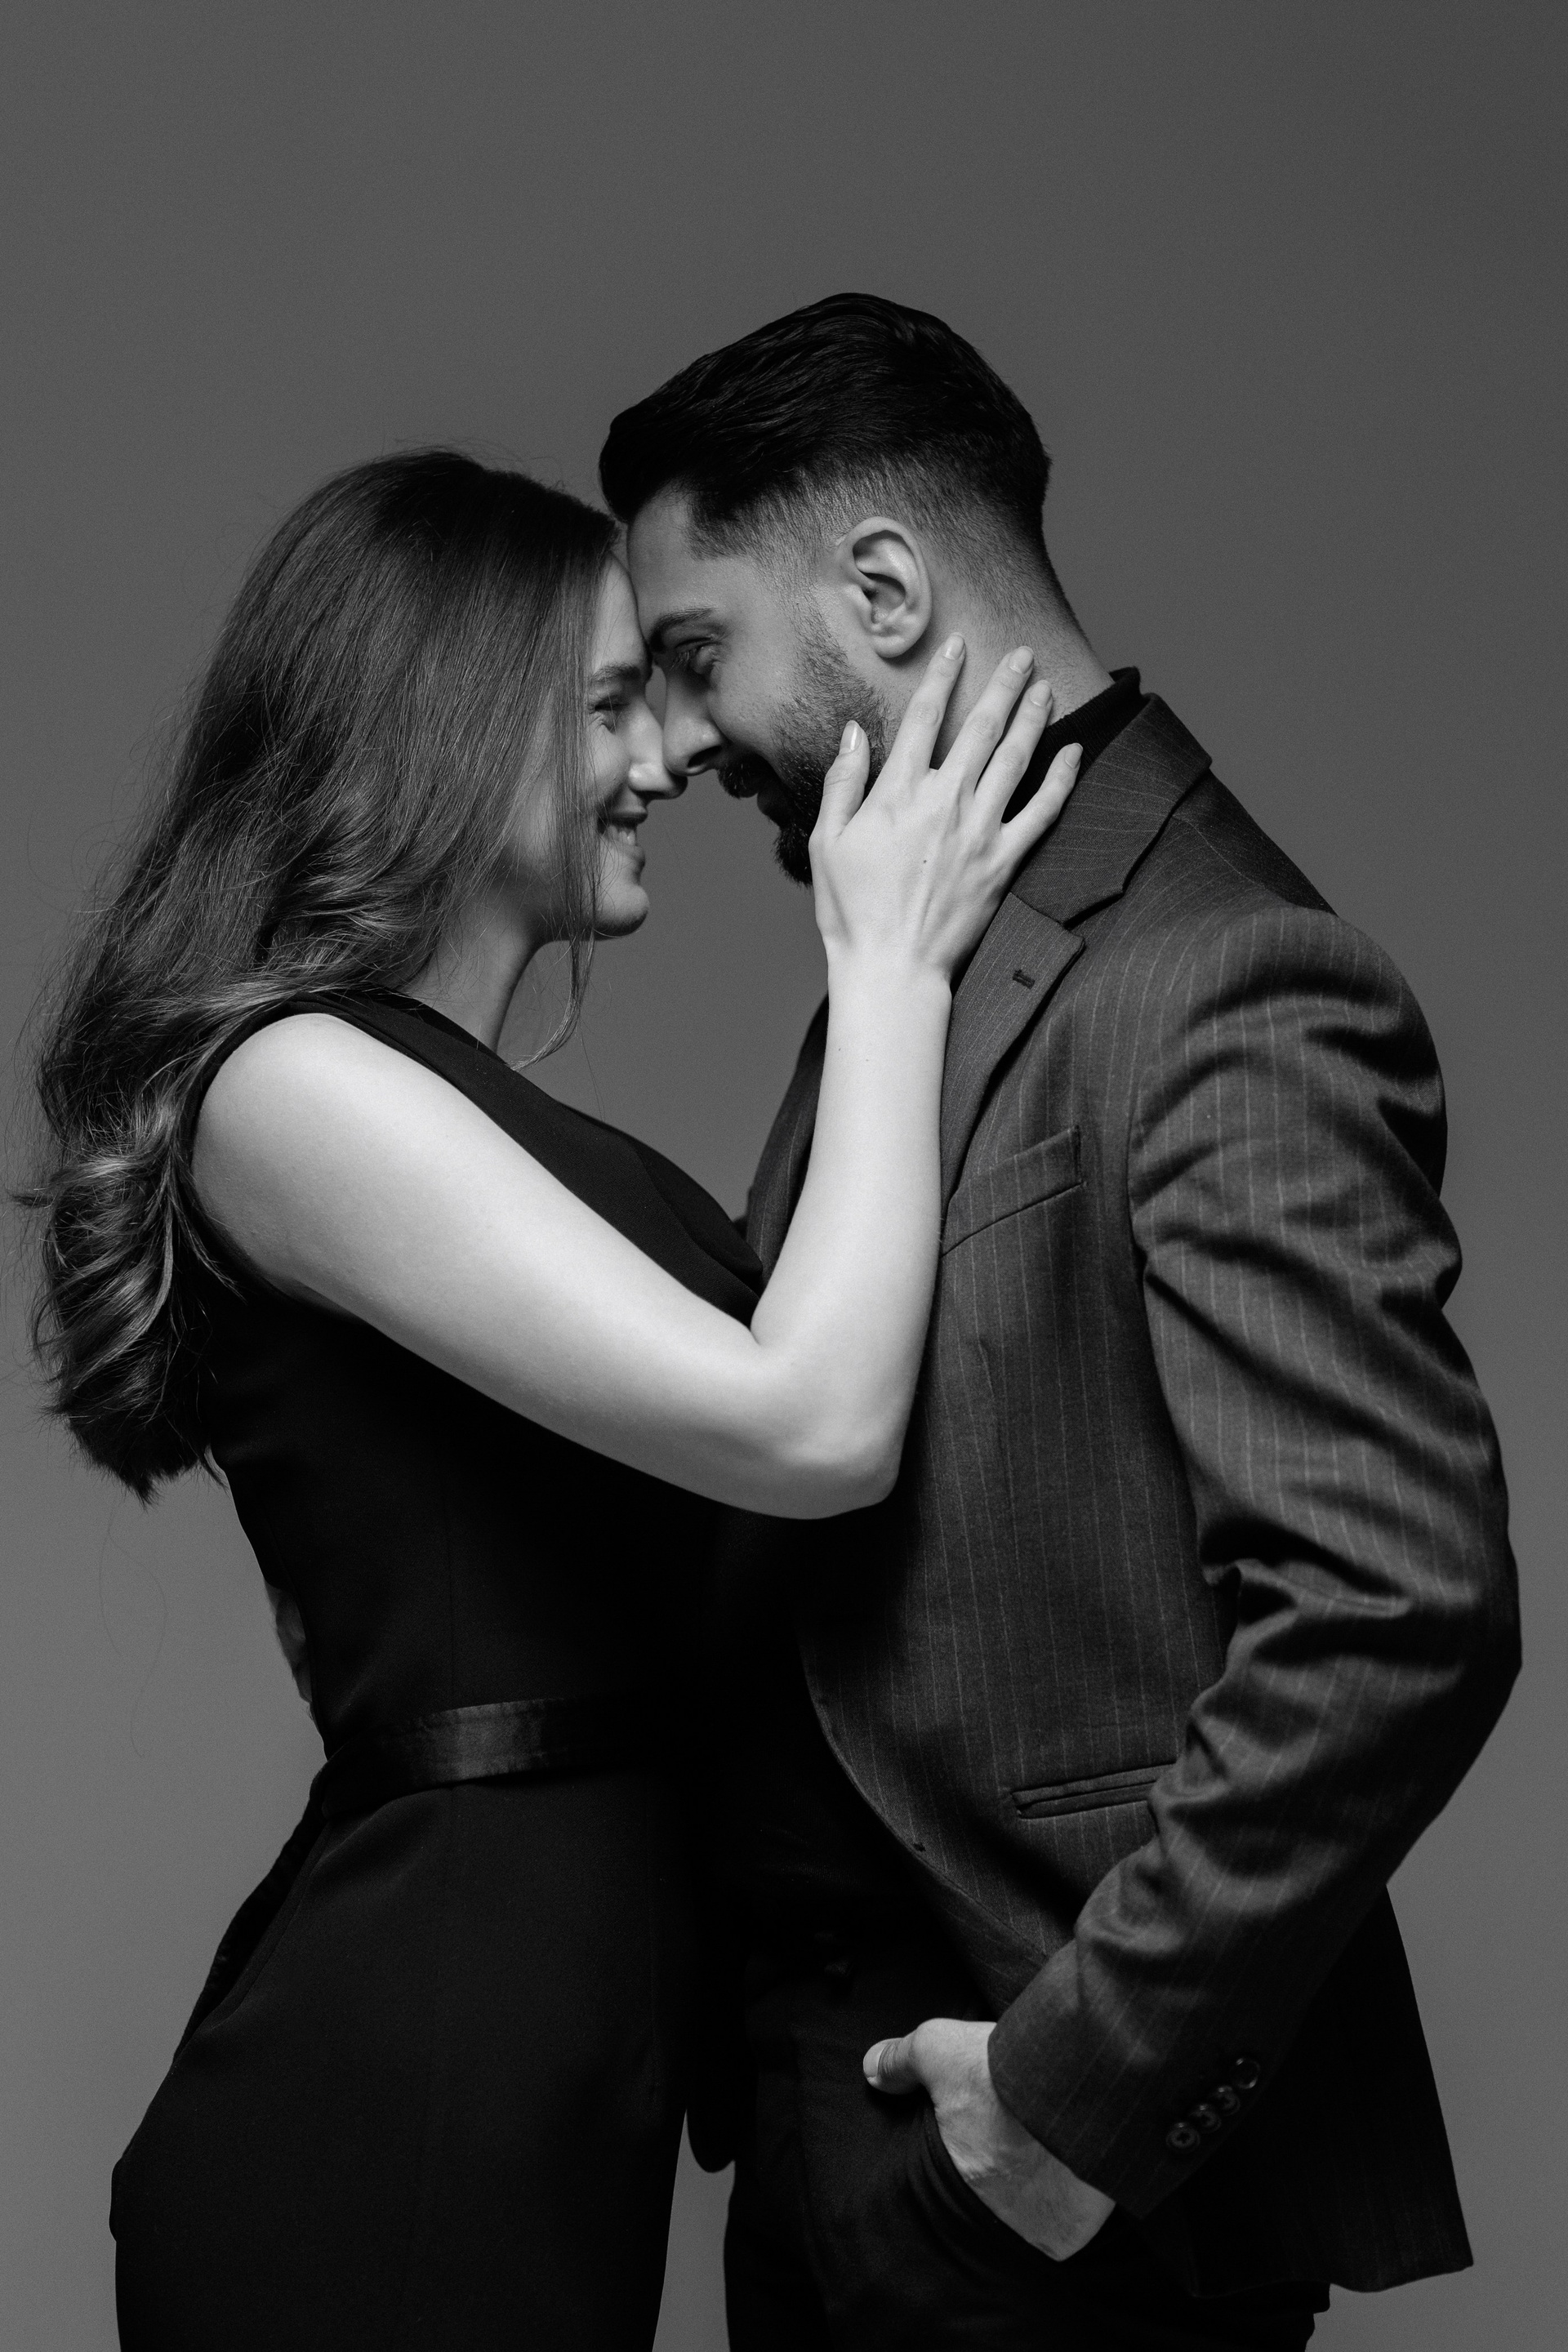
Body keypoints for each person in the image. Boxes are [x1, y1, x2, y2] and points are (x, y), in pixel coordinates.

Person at [21, 448, 1079, 2351]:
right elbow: (814, 1429)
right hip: (410, 2075)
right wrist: (890, 967)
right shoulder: (286, 1086)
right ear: (447, 729)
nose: (667, 756)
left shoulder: (446, 1106)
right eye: (608, 705)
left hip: (542, 2060)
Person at [601, 292, 1521, 2350]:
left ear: (885, 592)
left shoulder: (1227, 969)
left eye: (696, 653)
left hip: (1050, 2184)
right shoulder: (930, 915)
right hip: (836, 2114)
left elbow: (1396, 1608)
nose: (679, 741)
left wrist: (1061, 2105)